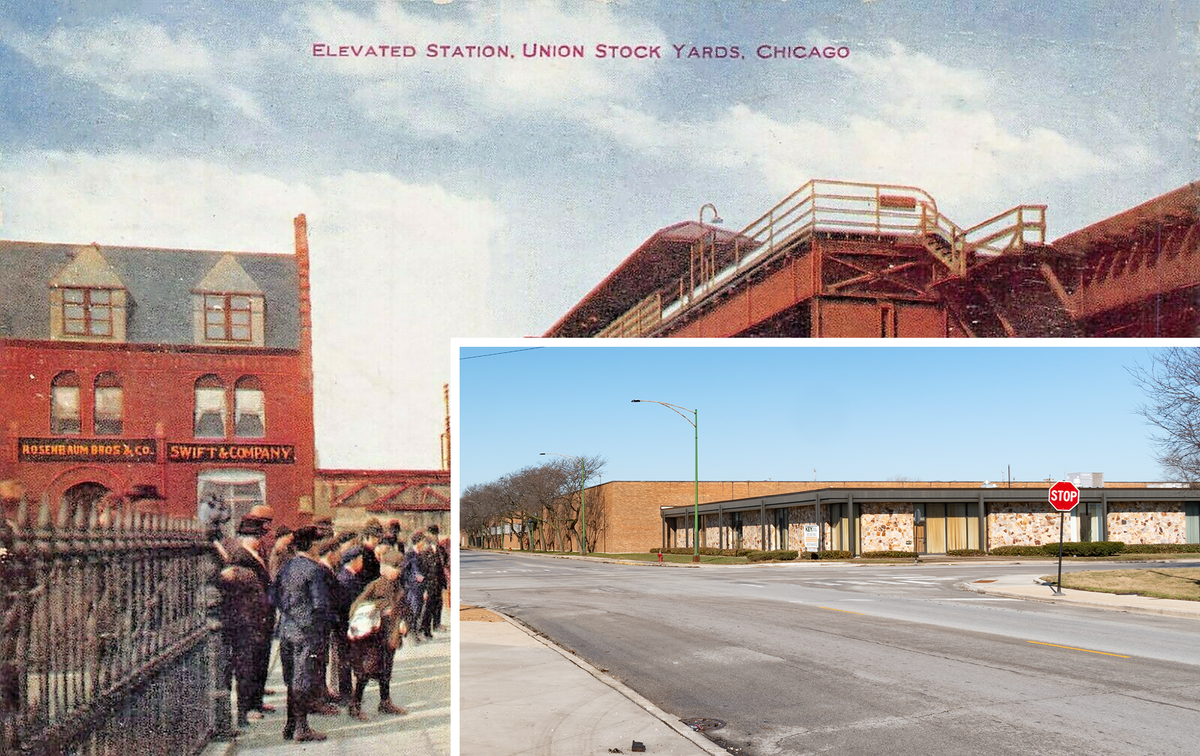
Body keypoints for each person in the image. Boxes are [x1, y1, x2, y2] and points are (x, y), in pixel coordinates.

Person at [274, 526, 334, 742]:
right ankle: (302, 728)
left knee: (291, 678)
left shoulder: (286, 566)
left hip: (287, 629)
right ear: (311, 545)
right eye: (317, 543)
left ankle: (290, 725)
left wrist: (291, 614)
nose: (319, 547)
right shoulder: (314, 569)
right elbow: (320, 604)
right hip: (306, 632)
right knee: (302, 678)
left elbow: (274, 597)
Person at [219, 516, 273, 728]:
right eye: (254, 536)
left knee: (260, 661)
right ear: (244, 537)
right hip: (249, 617)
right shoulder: (240, 557)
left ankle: (256, 703)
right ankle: (249, 706)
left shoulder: (255, 554)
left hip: (261, 616)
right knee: (249, 664)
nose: (258, 540)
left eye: (259, 536)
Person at [346, 548, 409, 719]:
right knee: (366, 671)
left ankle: (385, 702)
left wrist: (404, 623)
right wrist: (376, 611)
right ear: (385, 568)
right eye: (396, 567)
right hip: (375, 637)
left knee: (386, 671)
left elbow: (404, 609)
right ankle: (355, 705)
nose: (399, 571)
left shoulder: (399, 587)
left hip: (391, 636)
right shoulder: (375, 585)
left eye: (400, 568)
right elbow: (356, 607)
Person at [419, 525, 447, 637]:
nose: (434, 537)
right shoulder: (425, 551)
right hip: (429, 582)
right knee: (428, 607)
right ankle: (425, 629)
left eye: (436, 534)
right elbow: (423, 569)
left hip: (438, 582)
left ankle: (436, 624)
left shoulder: (440, 550)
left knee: (438, 604)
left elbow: (444, 564)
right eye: (432, 534)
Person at [402, 531, 426, 642]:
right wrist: (413, 578)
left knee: (419, 611)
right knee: (413, 611)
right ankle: (411, 634)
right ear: (419, 542)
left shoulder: (422, 555)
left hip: (420, 588)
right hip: (412, 588)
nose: (424, 544)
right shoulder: (409, 555)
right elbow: (404, 572)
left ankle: (414, 632)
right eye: (423, 541)